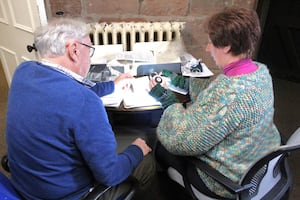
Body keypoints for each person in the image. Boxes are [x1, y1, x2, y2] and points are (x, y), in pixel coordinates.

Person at [6, 18, 156, 199]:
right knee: (146, 160)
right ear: (74, 50)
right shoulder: (85, 102)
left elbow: (67, 88)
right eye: (89, 50)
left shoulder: (24, 71)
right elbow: (110, 174)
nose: (90, 58)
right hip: (67, 195)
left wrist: (113, 86)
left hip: (26, 186)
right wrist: (137, 149)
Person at [149, 7, 281, 199]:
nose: (207, 48)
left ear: (227, 46)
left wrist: (166, 100)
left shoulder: (229, 94)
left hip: (226, 180)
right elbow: (219, 91)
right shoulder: (258, 72)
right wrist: (184, 82)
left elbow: (182, 141)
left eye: (211, 42)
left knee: (161, 147)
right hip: (256, 163)